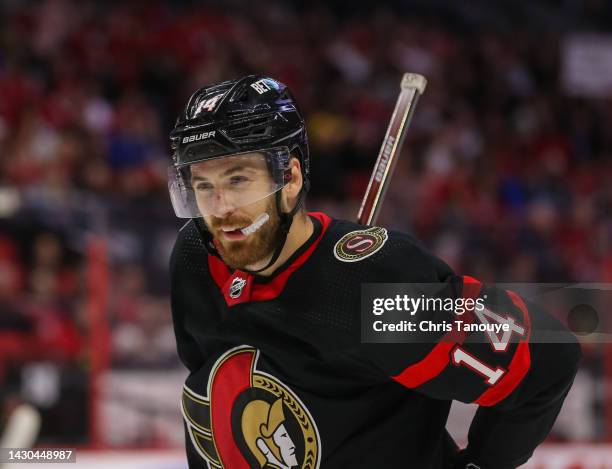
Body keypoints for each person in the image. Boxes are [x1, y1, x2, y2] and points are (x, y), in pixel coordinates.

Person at [168, 75, 581, 469]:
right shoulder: (194, 259)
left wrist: (479, 464)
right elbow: (212, 383)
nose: (220, 208)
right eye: (203, 186)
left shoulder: (373, 291)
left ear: (289, 177)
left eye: (238, 180)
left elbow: (548, 356)